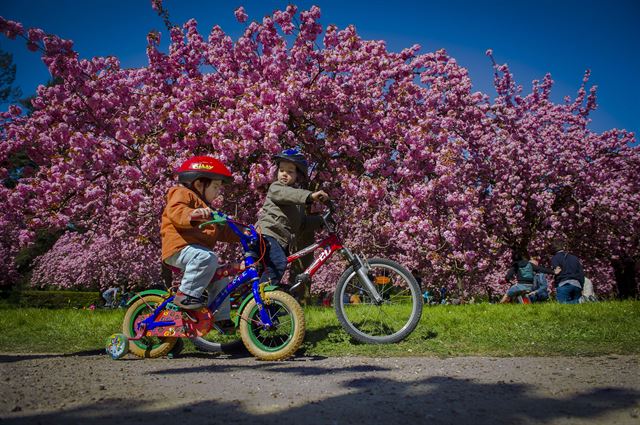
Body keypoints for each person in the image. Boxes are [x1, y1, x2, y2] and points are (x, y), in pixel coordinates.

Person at [161, 156, 239, 310]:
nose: (218, 192)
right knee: (207, 257)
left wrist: (243, 232)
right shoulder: (182, 193)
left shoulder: (208, 210)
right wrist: (193, 214)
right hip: (179, 248)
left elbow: (223, 230)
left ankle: (220, 317)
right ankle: (186, 295)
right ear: (199, 183)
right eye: (216, 187)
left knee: (221, 276)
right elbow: (177, 211)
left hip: (195, 252)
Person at [256, 147, 328, 287]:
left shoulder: (296, 203)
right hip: (267, 235)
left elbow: (300, 224)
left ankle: (261, 303)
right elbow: (288, 194)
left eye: (290, 172)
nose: (284, 174)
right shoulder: (276, 188)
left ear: (297, 176)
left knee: (270, 270)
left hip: (280, 240)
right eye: (281, 170)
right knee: (278, 263)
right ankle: (261, 299)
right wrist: (310, 196)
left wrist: (320, 221)